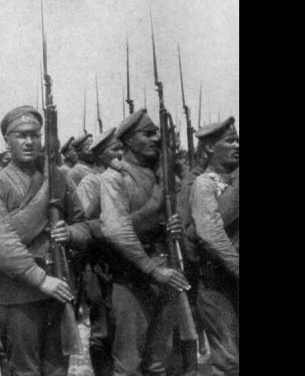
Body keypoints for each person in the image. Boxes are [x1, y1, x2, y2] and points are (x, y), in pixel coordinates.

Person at [0, 106, 92, 376]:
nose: (29, 142)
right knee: (24, 371)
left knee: (56, 371)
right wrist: (41, 279)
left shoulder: (59, 177)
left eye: (35, 135)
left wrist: (70, 233)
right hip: (17, 295)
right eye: (21, 135)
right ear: (7, 140)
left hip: (58, 288)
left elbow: (84, 225)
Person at [99, 108, 189, 375]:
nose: (156, 139)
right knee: (129, 364)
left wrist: (175, 227)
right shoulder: (115, 177)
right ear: (127, 140)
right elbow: (116, 231)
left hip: (166, 271)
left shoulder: (162, 174)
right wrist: (152, 269)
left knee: (159, 360)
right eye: (148, 134)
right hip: (132, 277)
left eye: (157, 133)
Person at [189, 117, 239, 376]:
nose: (237, 145)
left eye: (237, 139)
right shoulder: (204, 184)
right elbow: (210, 233)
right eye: (229, 140)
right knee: (228, 361)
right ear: (209, 148)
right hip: (217, 280)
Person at [74, 127, 123, 376]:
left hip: (122, 262)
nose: (121, 155)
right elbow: (83, 226)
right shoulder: (90, 182)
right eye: (115, 150)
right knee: (102, 330)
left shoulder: (122, 178)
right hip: (98, 264)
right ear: (101, 155)